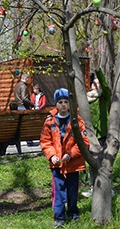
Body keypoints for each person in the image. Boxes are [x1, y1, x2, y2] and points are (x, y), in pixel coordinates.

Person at [40, 88, 90, 228]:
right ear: (56, 104)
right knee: (59, 191)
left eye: (66, 102)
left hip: (73, 163)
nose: (63, 105)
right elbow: (45, 141)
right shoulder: (50, 121)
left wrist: (71, 154)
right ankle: (59, 217)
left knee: (72, 190)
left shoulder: (77, 121)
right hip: (57, 164)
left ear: (70, 104)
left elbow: (83, 142)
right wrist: (51, 155)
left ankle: (73, 212)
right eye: (60, 102)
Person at [82, 70, 112, 198]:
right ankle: (93, 187)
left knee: (105, 161)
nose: (97, 85)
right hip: (91, 134)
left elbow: (105, 88)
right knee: (92, 161)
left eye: (98, 84)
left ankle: (107, 187)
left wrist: (99, 72)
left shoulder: (104, 96)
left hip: (103, 134)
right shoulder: (87, 98)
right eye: (94, 83)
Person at [14, 73, 34, 146]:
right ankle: (29, 141)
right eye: (28, 79)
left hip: (18, 107)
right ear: (26, 78)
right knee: (27, 124)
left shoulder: (17, 85)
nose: (29, 81)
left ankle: (23, 140)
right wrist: (32, 104)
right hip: (24, 107)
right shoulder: (23, 86)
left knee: (20, 125)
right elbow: (24, 98)